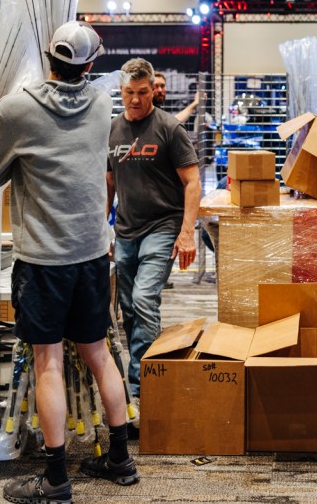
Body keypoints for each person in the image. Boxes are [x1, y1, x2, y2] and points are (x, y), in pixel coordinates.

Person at [0, 21, 138, 504]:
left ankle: (55, 479)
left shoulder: (15, 110)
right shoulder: (102, 104)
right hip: (91, 254)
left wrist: (3, 120)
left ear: (49, 56)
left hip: (43, 260)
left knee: (47, 362)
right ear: (90, 65)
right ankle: (120, 459)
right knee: (100, 354)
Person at [107, 58, 201, 422]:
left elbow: (192, 182)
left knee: (145, 298)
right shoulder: (113, 129)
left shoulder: (168, 128)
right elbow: (109, 183)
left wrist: (187, 232)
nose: (135, 100)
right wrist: (102, 227)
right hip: (126, 230)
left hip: (162, 226)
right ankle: (149, 369)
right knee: (128, 307)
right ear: (121, 91)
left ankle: (140, 387)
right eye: (129, 92)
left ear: (152, 90)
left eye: (142, 92)